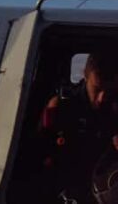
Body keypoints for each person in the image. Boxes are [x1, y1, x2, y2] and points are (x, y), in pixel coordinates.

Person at [32, 53, 118, 203]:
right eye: (96, 89)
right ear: (85, 76)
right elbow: (38, 154)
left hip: (105, 189)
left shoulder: (114, 109)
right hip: (64, 190)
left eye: (109, 90)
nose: (102, 97)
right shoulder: (61, 106)